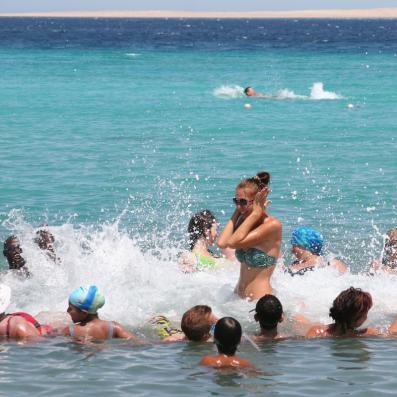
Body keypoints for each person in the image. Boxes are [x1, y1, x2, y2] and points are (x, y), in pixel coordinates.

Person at [218, 171, 282, 299]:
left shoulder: (272, 225)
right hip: (237, 298)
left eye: (243, 202)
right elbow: (222, 243)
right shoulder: (243, 221)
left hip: (260, 301)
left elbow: (233, 243)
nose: (238, 206)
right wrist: (238, 211)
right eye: (235, 201)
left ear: (256, 201)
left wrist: (256, 213)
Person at [64, 285, 142, 342]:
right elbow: (137, 342)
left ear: (84, 313)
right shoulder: (114, 327)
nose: (67, 311)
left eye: (70, 308)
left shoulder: (70, 330)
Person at [306, 287, 378, 337]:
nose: (366, 317)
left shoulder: (317, 333)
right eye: (365, 313)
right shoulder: (317, 332)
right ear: (355, 317)